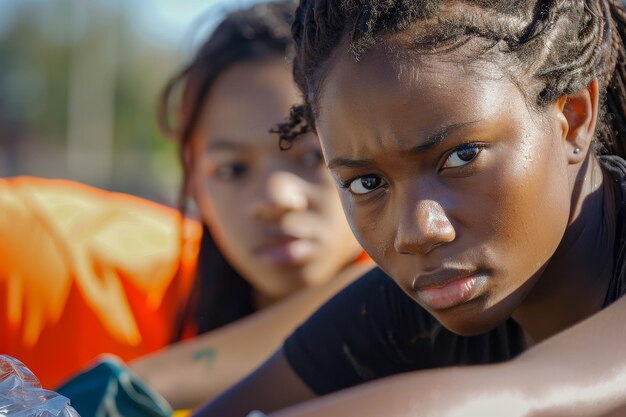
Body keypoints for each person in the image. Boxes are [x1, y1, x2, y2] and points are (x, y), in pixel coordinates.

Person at [193, 1, 626, 416]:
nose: (416, 231)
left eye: (462, 157)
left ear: (572, 116)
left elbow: (528, 397)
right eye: (368, 183)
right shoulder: (415, 309)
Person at [49, 1, 370, 413]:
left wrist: (143, 383)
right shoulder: (83, 265)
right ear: (194, 181)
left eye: (312, 155)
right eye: (232, 169)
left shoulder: (444, 291)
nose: (275, 200)